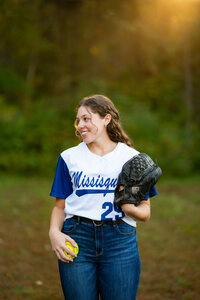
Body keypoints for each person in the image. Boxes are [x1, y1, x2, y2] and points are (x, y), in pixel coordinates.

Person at [49, 94, 158, 300]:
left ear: (106, 119)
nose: (80, 125)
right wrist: (54, 233)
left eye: (87, 118)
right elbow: (59, 206)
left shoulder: (132, 158)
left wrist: (129, 208)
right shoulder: (68, 157)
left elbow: (145, 211)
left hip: (120, 241)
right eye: (79, 120)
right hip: (76, 238)